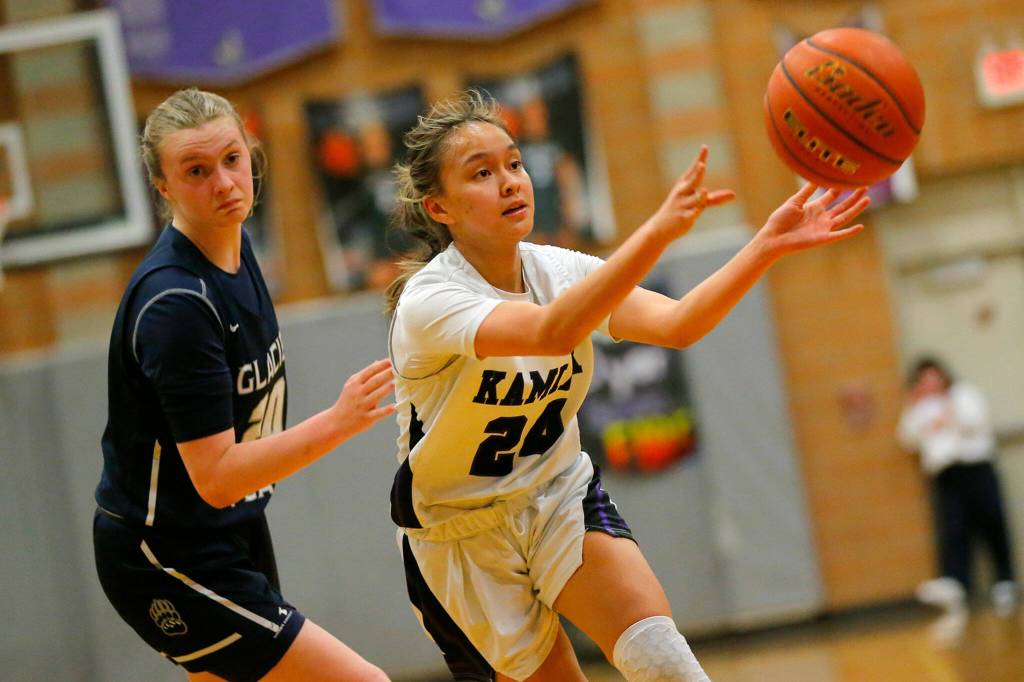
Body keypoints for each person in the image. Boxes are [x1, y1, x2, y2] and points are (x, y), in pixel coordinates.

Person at [384, 89, 870, 681]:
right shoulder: (431, 300)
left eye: (514, 163)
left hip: (557, 494)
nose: (511, 181)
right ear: (440, 210)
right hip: (459, 533)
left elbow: (678, 322)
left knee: (667, 665)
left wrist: (766, 245)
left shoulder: (557, 269)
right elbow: (549, 330)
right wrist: (659, 231)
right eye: (481, 174)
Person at [93, 89, 393, 682]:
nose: (224, 183)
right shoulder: (176, 304)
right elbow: (217, 477)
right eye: (196, 171)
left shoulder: (237, 248)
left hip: (227, 535)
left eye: (232, 159)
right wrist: (337, 421)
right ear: (163, 188)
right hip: (167, 556)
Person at [898, 356, 1018, 642]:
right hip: (946, 476)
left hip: (976, 468)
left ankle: (1005, 582)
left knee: (992, 521)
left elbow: (973, 422)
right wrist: (920, 409)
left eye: (933, 376)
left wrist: (948, 414)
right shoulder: (917, 408)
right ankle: (957, 589)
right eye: (923, 379)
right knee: (953, 530)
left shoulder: (964, 395)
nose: (930, 383)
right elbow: (908, 438)